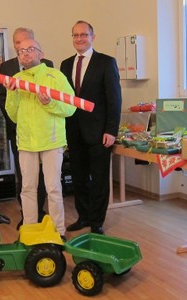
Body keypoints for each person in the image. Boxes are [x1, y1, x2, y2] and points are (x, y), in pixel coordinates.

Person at [4, 38, 76, 239]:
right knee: (27, 188)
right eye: (21, 51)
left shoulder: (56, 77)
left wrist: (50, 104)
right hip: (26, 142)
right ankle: (29, 229)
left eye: (30, 49)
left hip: (51, 141)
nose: (25, 53)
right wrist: (11, 94)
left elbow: (70, 108)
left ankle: (58, 231)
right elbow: (13, 115)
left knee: (53, 188)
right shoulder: (16, 79)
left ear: (40, 53)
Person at [60, 20, 122, 235]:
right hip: (74, 131)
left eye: (83, 35)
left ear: (92, 37)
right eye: (75, 35)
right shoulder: (65, 64)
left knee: (99, 178)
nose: (79, 39)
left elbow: (114, 99)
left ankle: (96, 221)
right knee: (78, 177)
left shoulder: (106, 62)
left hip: (99, 132)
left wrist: (111, 130)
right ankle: (83, 216)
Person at [0, 28, 54, 229]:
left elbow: (53, 99)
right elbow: (2, 98)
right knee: (25, 177)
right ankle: (27, 214)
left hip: (45, 133)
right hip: (19, 132)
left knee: (46, 176)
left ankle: (40, 211)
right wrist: (18, 123)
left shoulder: (47, 66)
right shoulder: (6, 67)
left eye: (27, 44)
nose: (23, 49)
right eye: (18, 44)